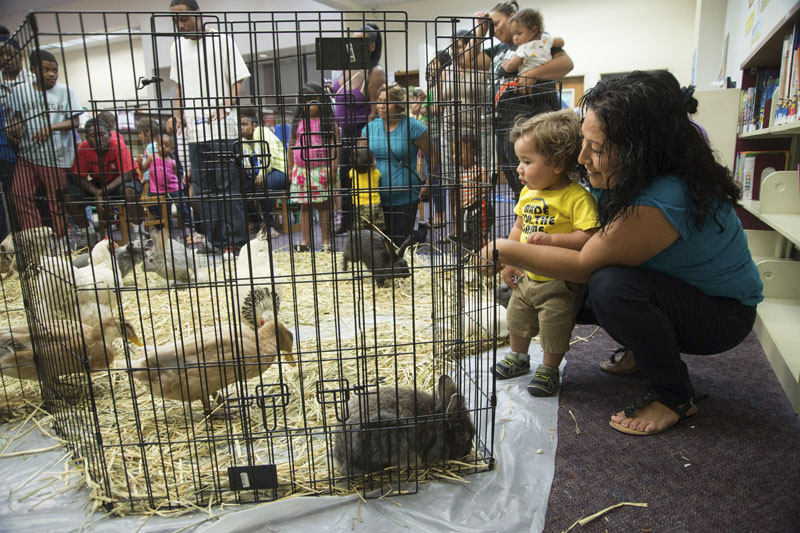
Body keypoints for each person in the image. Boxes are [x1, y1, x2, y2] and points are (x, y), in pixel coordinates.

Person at [481, 72, 763, 434]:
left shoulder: (663, 196)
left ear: (640, 149)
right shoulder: (620, 178)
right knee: (562, 287)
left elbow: (585, 264)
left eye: (596, 148)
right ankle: (643, 349)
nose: (581, 157)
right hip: (672, 287)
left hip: (722, 314)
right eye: (583, 141)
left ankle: (674, 395)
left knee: (609, 286)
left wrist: (507, 249)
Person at [490, 110, 598, 397]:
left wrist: (554, 240)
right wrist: (510, 261)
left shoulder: (577, 197)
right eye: (519, 161)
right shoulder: (528, 193)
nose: (519, 169)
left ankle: (549, 370)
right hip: (527, 278)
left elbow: (588, 236)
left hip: (559, 281)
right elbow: (518, 226)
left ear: (558, 163)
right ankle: (519, 358)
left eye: (526, 161)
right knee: (517, 318)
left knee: (554, 327)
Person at [168, 0, 250, 254]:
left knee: (228, 187)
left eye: (184, 18)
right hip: (195, 132)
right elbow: (179, 87)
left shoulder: (222, 41)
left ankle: (236, 242)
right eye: (175, 20)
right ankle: (214, 242)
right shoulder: (176, 48)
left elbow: (239, 81)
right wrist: (177, 114)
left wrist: (227, 104)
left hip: (224, 130)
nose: (180, 25)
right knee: (204, 190)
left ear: (197, 14)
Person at [473, 1, 574, 196]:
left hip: (531, 117)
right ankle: (525, 219)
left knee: (534, 181)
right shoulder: (499, 49)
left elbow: (566, 64)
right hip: (503, 124)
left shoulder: (536, 41)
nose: (493, 30)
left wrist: (533, 73)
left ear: (512, 16)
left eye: (496, 23)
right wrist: (480, 31)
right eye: (490, 26)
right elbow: (468, 60)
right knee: (515, 178)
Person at [7, 50, 82, 242]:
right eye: (46, 70)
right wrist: (15, 127)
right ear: (33, 70)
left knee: (56, 202)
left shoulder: (66, 92)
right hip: (27, 155)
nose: (51, 74)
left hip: (56, 157)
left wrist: (51, 127)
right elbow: (15, 118)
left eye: (55, 70)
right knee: (19, 195)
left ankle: (61, 241)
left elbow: (75, 122)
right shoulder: (21, 91)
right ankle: (37, 239)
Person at [363, 83, 434, 248]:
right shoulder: (370, 129)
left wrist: (428, 184)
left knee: (400, 244)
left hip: (404, 196)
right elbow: (360, 159)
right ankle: (420, 233)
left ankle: (419, 234)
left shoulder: (413, 127)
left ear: (398, 104)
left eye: (386, 102)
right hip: (375, 197)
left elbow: (435, 157)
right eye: (379, 101)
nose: (381, 106)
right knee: (380, 244)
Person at [331, 23, 386, 235]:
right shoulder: (348, 68)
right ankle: (346, 220)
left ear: (371, 46)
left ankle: (364, 221)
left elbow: (375, 109)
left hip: (362, 131)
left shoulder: (375, 72)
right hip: (344, 132)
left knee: (361, 178)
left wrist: (364, 137)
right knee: (344, 176)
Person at [67, 118, 143, 244]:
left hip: (122, 182)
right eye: (92, 136)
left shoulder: (117, 145)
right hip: (99, 183)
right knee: (69, 195)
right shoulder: (83, 148)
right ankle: (87, 233)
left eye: (102, 135)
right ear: (86, 137)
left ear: (109, 134)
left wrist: (101, 193)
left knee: (130, 191)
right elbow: (78, 177)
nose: (98, 139)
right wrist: (97, 192)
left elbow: (127, 174)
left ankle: (140, 233)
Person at [288, 82, 339, 252]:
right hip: (301, 171)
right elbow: (291, 144)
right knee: (304, 206)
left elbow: (335, 146)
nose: (309, 104)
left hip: (322, 170)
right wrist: (290, 168)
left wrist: (333, 167)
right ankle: (305, 242)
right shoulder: (298, 122)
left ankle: (326, 242)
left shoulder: (328, 122)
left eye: (313, 99)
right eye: (305, 100)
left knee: (323, 205)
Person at [240, 112, 288, 239]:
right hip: (260, 173)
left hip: (279, 170)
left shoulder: (262, 132)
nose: (241, 128)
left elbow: (269, 155)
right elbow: (246, 161)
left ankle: (269, 225)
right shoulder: (244, 141)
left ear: (254, 125)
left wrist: (262, 173)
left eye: (244, 124)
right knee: (242, 185)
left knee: (263, 184)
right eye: (240, 125)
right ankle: (256, 221)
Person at [140, 132, 192, 240]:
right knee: (157, 208)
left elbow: (177, 175)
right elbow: (143, 169)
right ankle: (164, 228)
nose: (162, 147)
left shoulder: (172, 161)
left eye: (166, 145)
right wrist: (140, 163)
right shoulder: (151, 157)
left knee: (182, 206)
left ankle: (188, 227)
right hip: (156, 189)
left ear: (172, 147)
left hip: (173, 188)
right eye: (160, 145)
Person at [452, 132, 494, 254]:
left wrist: (484, 188)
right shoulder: (458, 174)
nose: (455, 156)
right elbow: (456, 194)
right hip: (465, 210)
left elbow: (487, 184)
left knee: (478, 235)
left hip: (479, 209)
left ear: (473, 153)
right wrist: (457, 207)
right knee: (465, 234)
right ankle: (469, 256)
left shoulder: (479, 170)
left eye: (459, 153)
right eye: (454, 153)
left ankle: (482, 256)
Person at [348, 145, 385, 233]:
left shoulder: (353, 172)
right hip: (375, 205)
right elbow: (380, 177)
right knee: (377, 230)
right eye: (374, 159)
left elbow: (349, 175)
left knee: (360, 231)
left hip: (359, 205)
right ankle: (379, 245)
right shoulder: (376, 173)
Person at [134, 117, 160, 188]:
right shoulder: (153, 145)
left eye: (140, 133)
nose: (139, 136)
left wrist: (145, 180)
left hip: (151, 182)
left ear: (148, 132)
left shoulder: (152, 147)